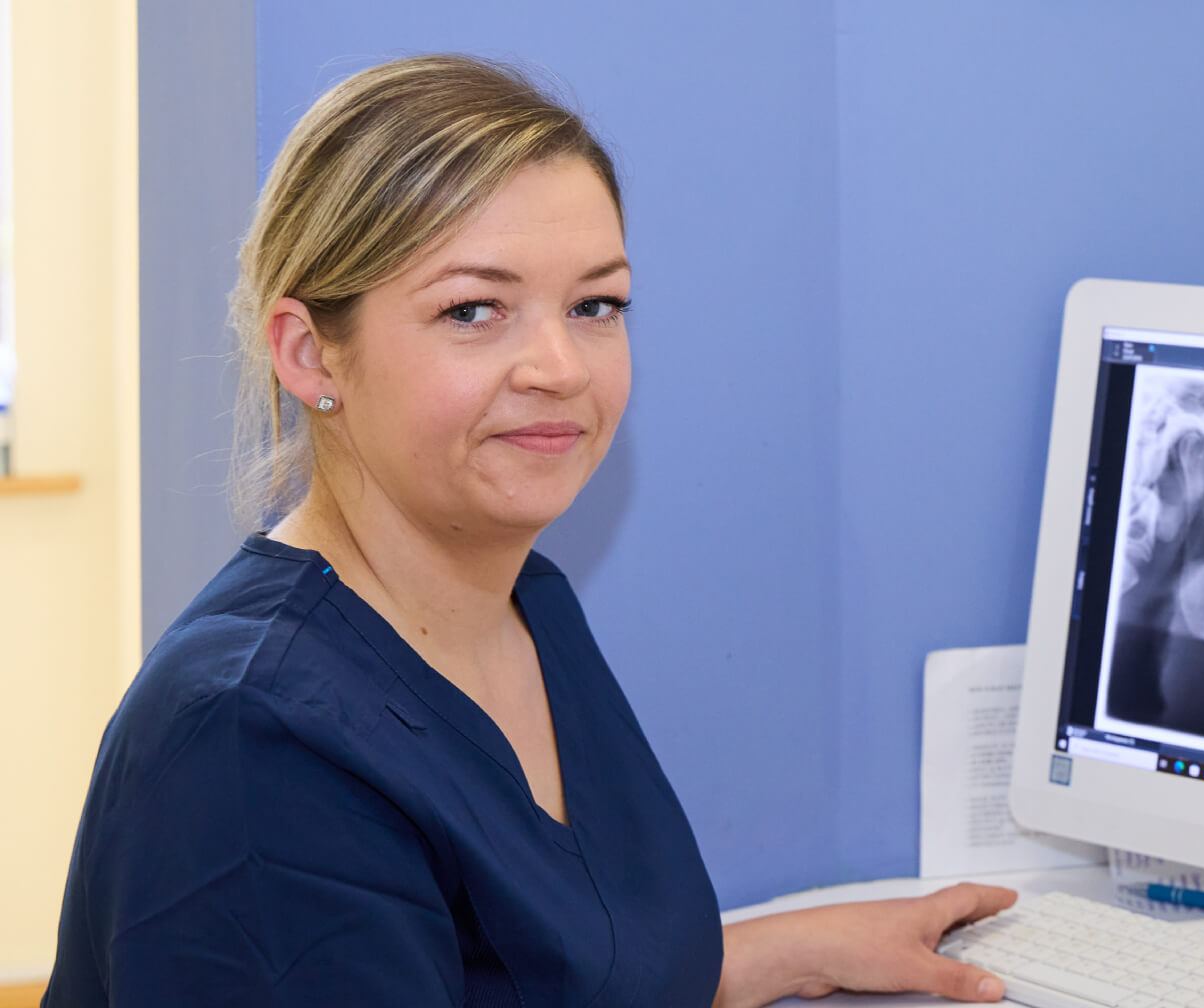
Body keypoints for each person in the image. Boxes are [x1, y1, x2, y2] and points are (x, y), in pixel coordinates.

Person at [43, 54, 1015, 1007]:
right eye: (474, 310)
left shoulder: (525, 605)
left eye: (596, 304)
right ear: (309, 353)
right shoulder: (254, 743)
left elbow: (547, 968)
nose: (559, 365)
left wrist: (790, 951)